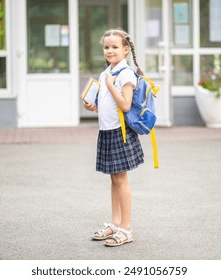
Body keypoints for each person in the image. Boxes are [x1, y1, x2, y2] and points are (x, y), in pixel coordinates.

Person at [83, 28, 145, 247]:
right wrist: (94, 106)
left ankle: (126, 228)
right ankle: (115, 223)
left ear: (125, 50)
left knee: (121, 179)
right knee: (113, 178)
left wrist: (110, 85)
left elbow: (126, 104)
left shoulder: (125, 74)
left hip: (120, 133)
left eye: (115, 47)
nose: (109, 51)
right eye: (106, 47)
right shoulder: (106, 72)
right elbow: (107, 104)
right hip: (107, 131)